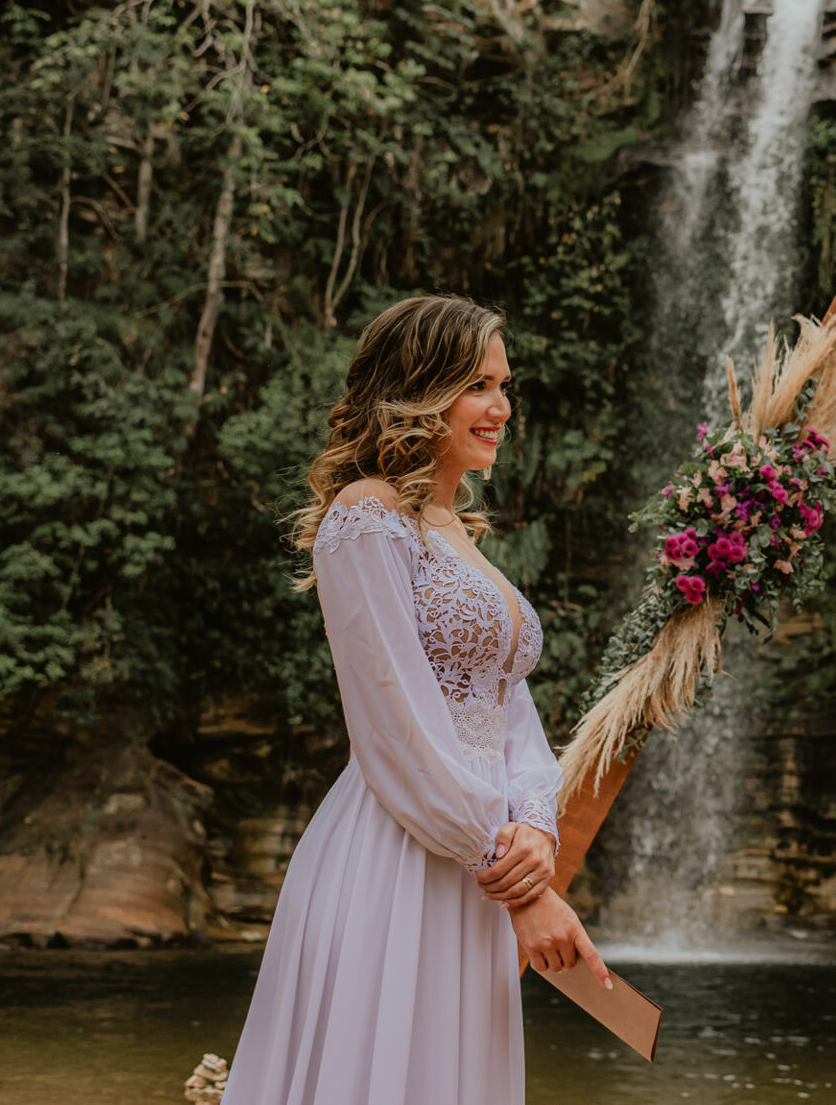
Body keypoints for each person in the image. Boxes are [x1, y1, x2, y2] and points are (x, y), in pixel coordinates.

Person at [223, 295, 608, 1105]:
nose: (501, 408)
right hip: (400, 850)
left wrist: (537, 825)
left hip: (483, 860)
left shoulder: (457, 528)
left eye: (505, 386)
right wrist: (518, 880)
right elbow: (393, 726)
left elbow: (513, 710)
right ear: (418, 389)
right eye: (478, 385)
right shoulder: (367, 519)